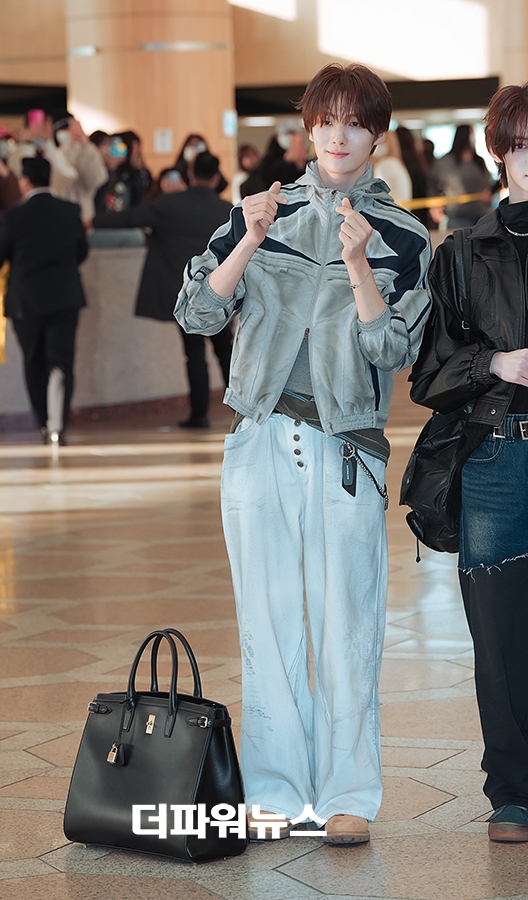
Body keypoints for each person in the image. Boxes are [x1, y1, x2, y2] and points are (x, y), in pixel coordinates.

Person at [175, 63, 431, 843]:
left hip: (345, 448)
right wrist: (248, 241)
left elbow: (397, 349)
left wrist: (359, 269)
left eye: (354, 123)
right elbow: (195, 313)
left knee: (348, 620)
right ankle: (279, 791)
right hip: (259, 440)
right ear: (309, 129)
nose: (338, 136)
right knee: (267, 620)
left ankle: (350, 793)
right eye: (326, 121)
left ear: (376, 136)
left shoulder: (405, 235)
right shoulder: (262, 210)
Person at [409, 82, 528, 843]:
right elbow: (430, 375)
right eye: (521, 144)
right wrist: (501, 363)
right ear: (499, 153)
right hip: (497, 459)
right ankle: (512, 791)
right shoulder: (461, 252)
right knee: (501, 636)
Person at [94, 151, 233, 428]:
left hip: (189, 294)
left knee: (194, 354)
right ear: (216, 177)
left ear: (190, 174)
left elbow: (129, 218)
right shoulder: (225, 209)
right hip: (222, 294)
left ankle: (199, 414)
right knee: (225, 351)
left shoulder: (169, 204)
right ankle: (242, 410)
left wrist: (92, 221)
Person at [0, 155, 88, 445]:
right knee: (61, 361)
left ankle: (44, 423)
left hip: (25, 301)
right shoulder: (70, 211)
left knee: (33, 362)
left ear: (25, 181)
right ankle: (58, 424)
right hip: (66, 296)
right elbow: (81, 252)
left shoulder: (13, 216)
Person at [432, 124, 493, 227]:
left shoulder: (478, 161)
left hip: (481, 212)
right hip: (457, 214)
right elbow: (433, 183)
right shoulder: (446, 162)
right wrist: (435, 206)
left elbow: (487, 182)